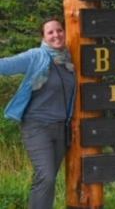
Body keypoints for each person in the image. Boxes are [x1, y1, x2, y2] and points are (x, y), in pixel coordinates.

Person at [1, 18, 76, 209]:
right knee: (46, 176)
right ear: (43, 37)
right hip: (37, 126)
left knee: (46, 179)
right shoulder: (37, 56)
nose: (56, 35)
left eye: (59, 30)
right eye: (50, 32)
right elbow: (6, 65)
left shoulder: (69, 60)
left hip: (61, 128)